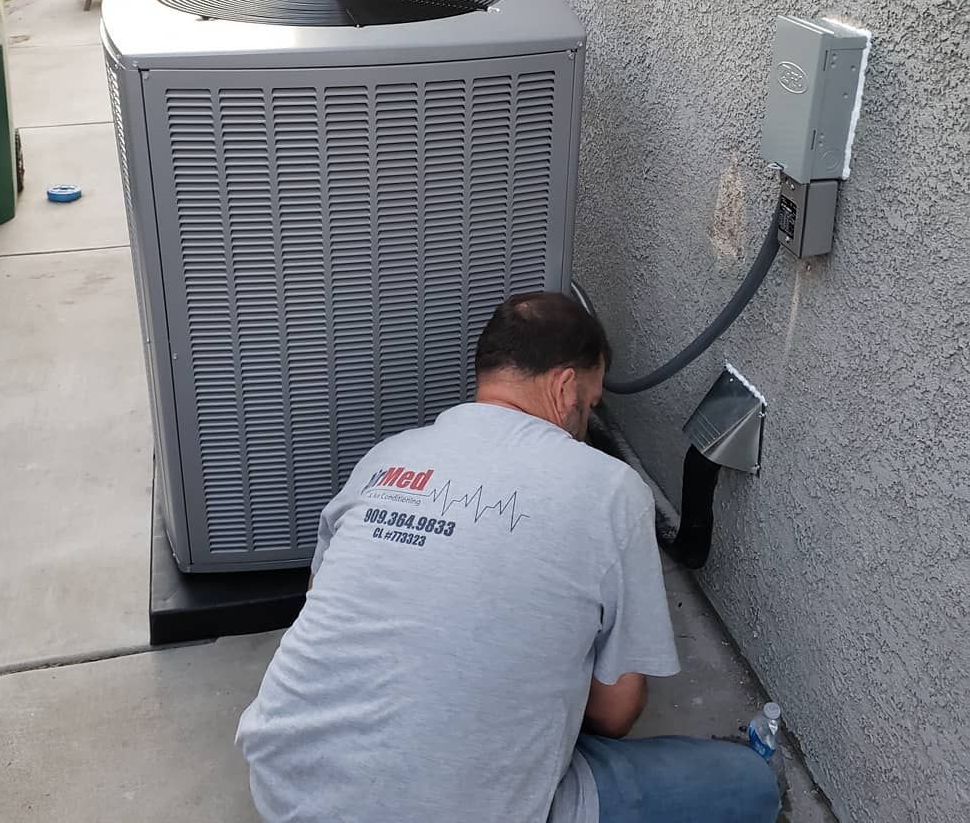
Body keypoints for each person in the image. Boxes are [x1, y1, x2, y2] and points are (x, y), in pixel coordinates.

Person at [236, 291, 780, 823]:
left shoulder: (387, 457)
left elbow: (321, 596)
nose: (587, 422)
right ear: (565, 387)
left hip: (287, 784)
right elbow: (615, 713)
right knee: (749, 786)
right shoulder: (610, 488)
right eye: (591, 404)